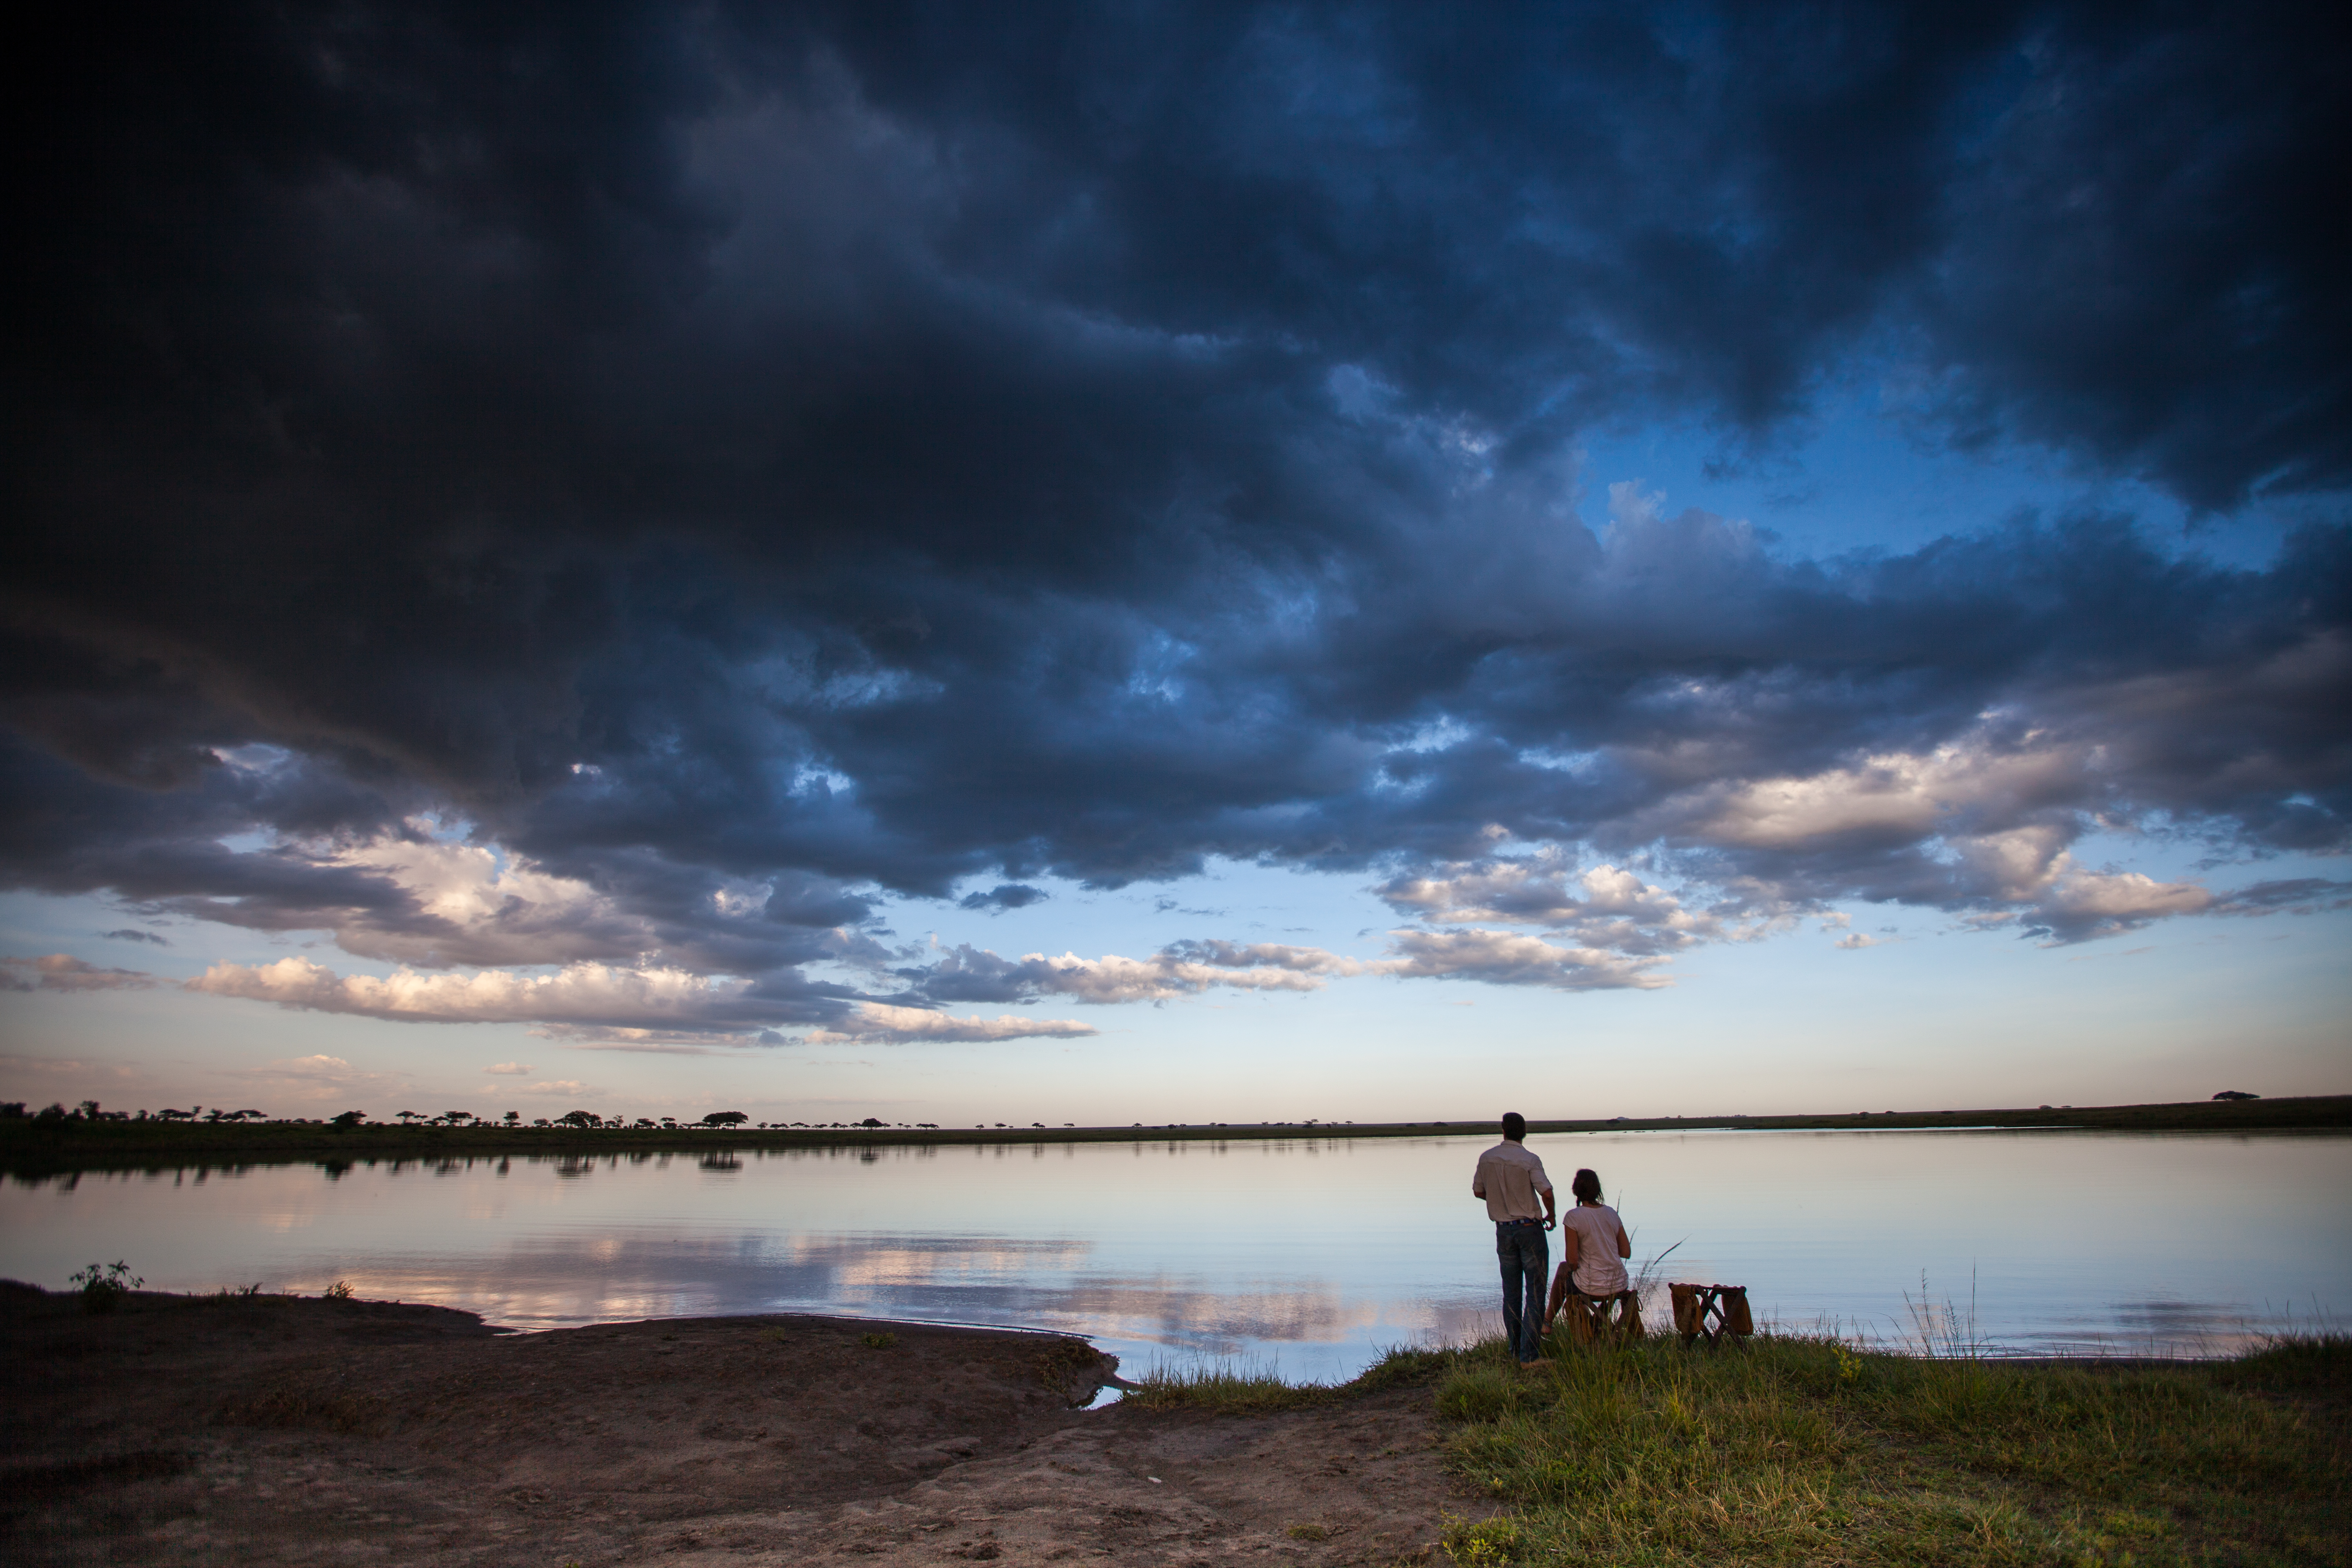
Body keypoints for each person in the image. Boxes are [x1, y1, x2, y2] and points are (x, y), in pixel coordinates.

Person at [1472, 1112, 1556, 1366]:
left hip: (1503, 1232)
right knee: (1535, 1292)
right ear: (1524, 1131)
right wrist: (1551, 1215)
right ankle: (1529, 1356)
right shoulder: (1529, 1159)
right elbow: (1547, 1192)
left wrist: (1501, 1202)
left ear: (1503, 1130)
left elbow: (1478, 1191)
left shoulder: (1487, 1158)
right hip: (1530, 1229)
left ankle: (1515, 1351)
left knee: (1511, 1294)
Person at [1548, 1167, 1632, 1327]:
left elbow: (1572, 1262)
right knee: (1568, 1272)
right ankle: (1597, 1325)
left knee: (1563, 1269)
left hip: (1590, 1286)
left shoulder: (1573, 1217)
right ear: (1598, 1190)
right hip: (1619, 1283)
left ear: (1575, 1191)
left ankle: (1547, 1322)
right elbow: (1626, 1252)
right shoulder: (1612, 1214)